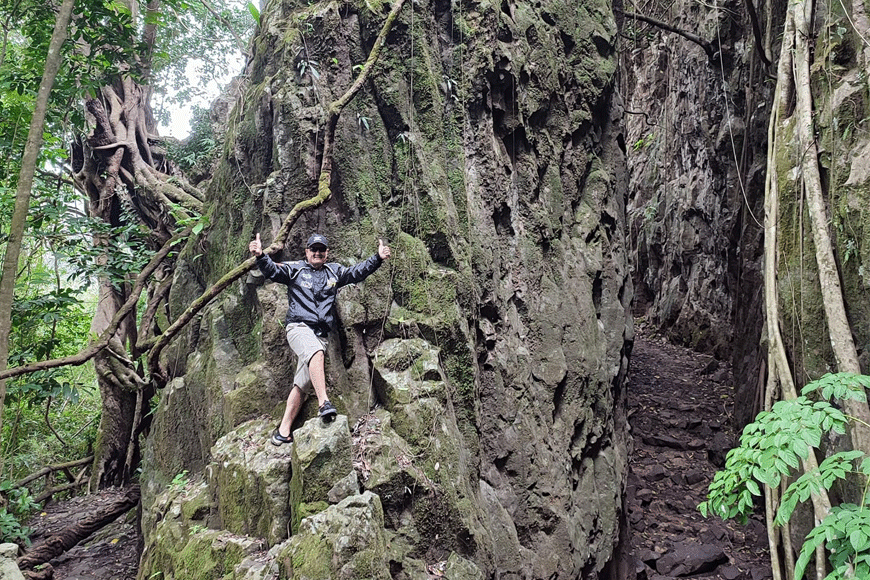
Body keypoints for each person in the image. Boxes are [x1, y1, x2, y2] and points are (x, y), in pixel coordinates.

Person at [249, 232, 391, 445]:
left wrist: (377, 258)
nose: (317, 253)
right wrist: (260, 255)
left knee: (302, 383)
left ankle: (283, 431)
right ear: (306, 252)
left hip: (320, 334)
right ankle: (324, 403)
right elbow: (272, 271)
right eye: (313, 249)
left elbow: (356, 273)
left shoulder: (334, 271)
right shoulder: (295, 269)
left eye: (321, 250)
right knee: (315, 352)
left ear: (327, 253)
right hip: (298, 327)